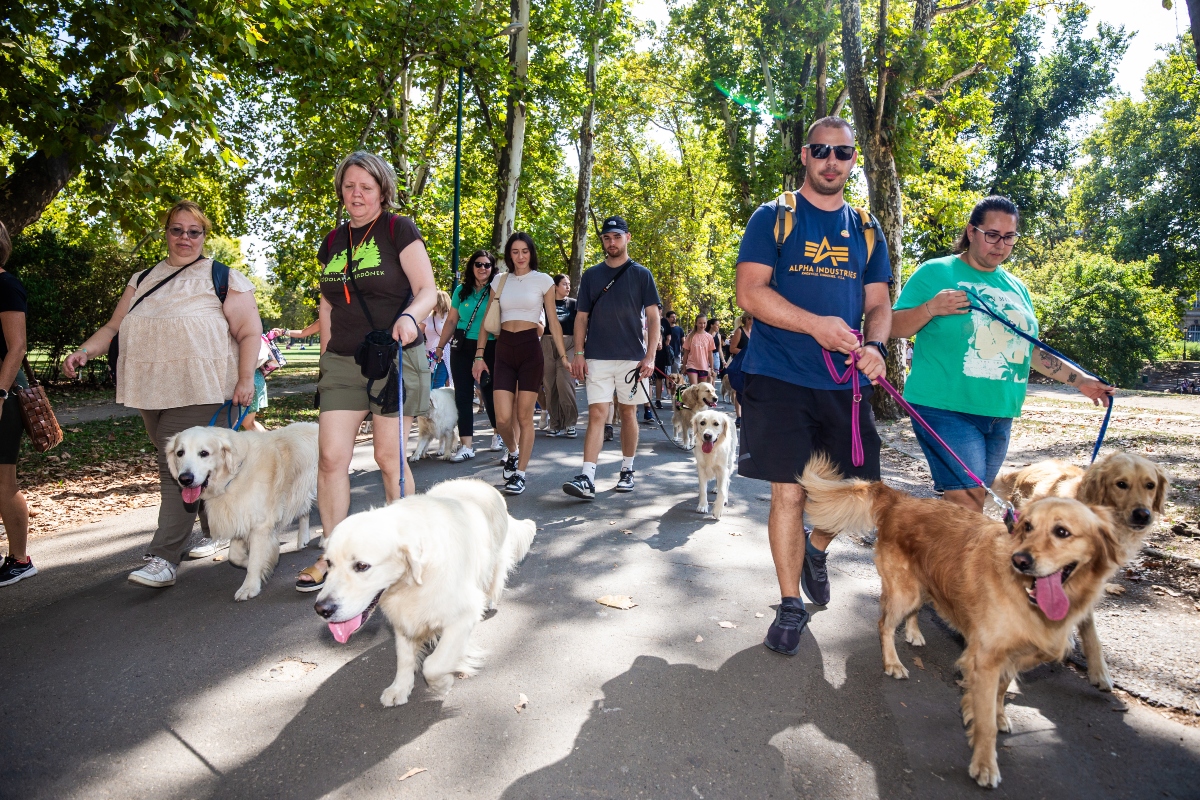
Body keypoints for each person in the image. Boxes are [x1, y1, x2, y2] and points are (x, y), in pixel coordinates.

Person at [735, 116, 893, 655]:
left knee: (856, 494)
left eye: (843, 153)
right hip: (778, 374)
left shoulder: (867, 229)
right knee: (790, 491)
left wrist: (875, 347)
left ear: (854, 161)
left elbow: (878, 304)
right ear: (805, 155)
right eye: (822, 151)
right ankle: (788, 605)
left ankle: (816, 550)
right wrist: (815, 326)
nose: (832, 161)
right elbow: (750, 294)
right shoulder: (772, 217)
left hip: (844, 385)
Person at [63, 201, 263, 589]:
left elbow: (249, 332)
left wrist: (244, 380)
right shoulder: (144, 278)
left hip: (203, 388)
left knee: (174, 468)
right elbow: (113, 327)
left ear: (204, 236)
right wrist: (85, 351)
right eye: (177, 229)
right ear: (166, 232)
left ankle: (164, 558)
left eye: (194, 231)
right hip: (150, 390)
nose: (185, 238)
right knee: (200, 470)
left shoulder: (223, 277)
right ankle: (227, 528)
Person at [891, 195, 1112, 513]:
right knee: (966, 502)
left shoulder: (1016, 287)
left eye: (1009, 237)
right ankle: (958, 563)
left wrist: (1081, 381)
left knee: (970, 503)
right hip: (945, 408)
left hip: (999, 413)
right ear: (971, 232)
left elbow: (1029, 351)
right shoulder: (935, 272)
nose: (1000, 244)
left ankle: (927, 555)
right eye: (992, 235)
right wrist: (931, 307)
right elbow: (892, 326)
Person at [295, 151, 437, 591]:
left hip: (392, 355)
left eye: (366, 187)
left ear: (382, 191)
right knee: (332, 458)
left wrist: (412, 318)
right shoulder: (333, 241)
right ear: (341, 189)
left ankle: (408, 554)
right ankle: (334, 557)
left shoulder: (399, 229)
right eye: (349, 185)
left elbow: (427, 290)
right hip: (342, 359)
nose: (356, 194)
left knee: (388, 458)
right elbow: (328, 302)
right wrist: (323, 359)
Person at [562, 216, 661, 499]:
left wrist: (650, 356)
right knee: (597, 413)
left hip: (632, 358)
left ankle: (627, 469)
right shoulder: (592, 275)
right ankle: (587, 477)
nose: (612, 242)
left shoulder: (642, 274)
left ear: (627, 238)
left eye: (617, 237)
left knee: (628, 413)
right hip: (597, 357)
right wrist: (578, 354)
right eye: (607, 238)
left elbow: (653, 318)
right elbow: (581, 318)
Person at [471, 233, 569, 495]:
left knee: (525, 416)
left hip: (530, 350)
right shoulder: (499, 281)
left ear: (531, 252)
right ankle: (512, 451)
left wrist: (564, 356)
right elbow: (486, 321)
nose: (520, 256)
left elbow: (553, 321)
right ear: (508, 254)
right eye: (515, 251)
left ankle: (520, 474)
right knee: (502, 418)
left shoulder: (544, 281)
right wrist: (479, 356)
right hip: (503, 349)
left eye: (525, 251)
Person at [436, 250, 499, 460]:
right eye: (478, 264)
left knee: (490, 393)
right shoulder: (461, 291)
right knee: (462, 394)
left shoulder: (495, 290)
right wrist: (439, 347)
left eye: (487, 265)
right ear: (472, 267)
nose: (483, 268)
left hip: (489, 346)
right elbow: (451, 321)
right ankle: (467, 446)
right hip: (461, 345)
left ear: (492, 268)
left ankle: (499, 434)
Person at [0, 221, 34, 587]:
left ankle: (20, 559)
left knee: (2, 482)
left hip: (3, 393)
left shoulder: (7, 286)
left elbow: (17, 347)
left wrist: (0, 393)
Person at [543, 274, 579, 437]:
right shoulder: (544, 304)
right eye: (564, 284)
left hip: (569, 344)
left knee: (565, 383)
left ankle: (570, 422)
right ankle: (555, 422)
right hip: (547, 344)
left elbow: (580, 325)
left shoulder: (573, 304)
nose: (568, 287)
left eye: (569, 284)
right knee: (550, 386)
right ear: (555, 286)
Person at [726, 311, 753, 424]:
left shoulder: (755, 333)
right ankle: (739, 416)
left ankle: (748, 414)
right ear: (748, 320)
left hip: (752, 365)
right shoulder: (739, 331)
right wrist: (745, 352)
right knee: (738, 389)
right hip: (739, 364)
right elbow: (732, 349)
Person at [424, 290, 453, 390]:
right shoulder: (428, 317)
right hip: (429, 355)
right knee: (429, 384)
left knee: (437, 385)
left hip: (444, 355)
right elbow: (418, 331)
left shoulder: (451, 317)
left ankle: (438, 405)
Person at [682, 313, 715, 385]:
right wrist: (684, 366)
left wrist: (712, 368)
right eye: (700, 323)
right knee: (694, 388)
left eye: (704, 323)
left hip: (703, 366)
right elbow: (686, 353)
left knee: (701, 390)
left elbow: (710, 354)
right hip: (692, 365)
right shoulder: (690, 336)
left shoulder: (709, 337)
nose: (702, 325)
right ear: (696, 323)